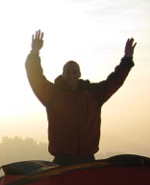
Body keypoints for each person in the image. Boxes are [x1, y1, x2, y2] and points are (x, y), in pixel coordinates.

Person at [25, 30, 137, 165]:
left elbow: (114, 81)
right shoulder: (52, 94)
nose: (71, 75)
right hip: (62, 161)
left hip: (88, 160)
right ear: (63, 74)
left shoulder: (93, 93)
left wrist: (127, 59)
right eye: (68, 72)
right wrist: (34, 52)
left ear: (79, 74)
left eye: (74, 72)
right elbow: (35, 76)